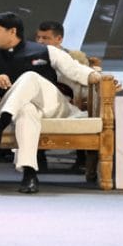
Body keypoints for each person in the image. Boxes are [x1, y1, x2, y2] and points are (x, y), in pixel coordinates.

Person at [0, 12, 101, 194]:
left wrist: (101, 78)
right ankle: (29, 174)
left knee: (30, 77)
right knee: (27, 110)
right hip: (15, 108)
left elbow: (77, 71)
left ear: (12, 31)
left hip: (52, 105)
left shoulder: (47, 51)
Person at [34, 19, 94, 178]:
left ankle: (82, 160)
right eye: (38, 37)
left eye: (45, 38)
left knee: (82, 110)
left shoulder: (74, 56)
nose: (40, 42)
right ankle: (37, 159)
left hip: (71, 99)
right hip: (41, 99)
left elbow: (84, 81)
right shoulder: (31, 55)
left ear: (59, 39)